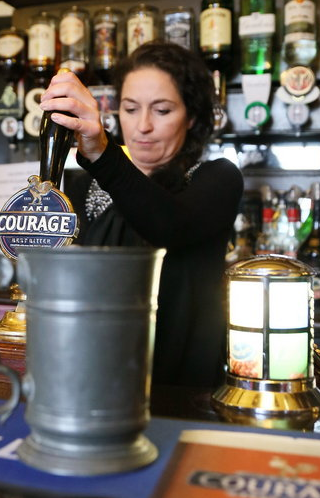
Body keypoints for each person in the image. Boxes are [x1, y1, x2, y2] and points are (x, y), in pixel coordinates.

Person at [40, 41, 243, 388]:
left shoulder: (217, 178)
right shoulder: (85, 188)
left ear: (191, 116)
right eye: (131, 109)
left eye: (162, 111)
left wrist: (103, 153)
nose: (143, 126)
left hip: (181, 394)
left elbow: (169, 225)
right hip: (94, 382)